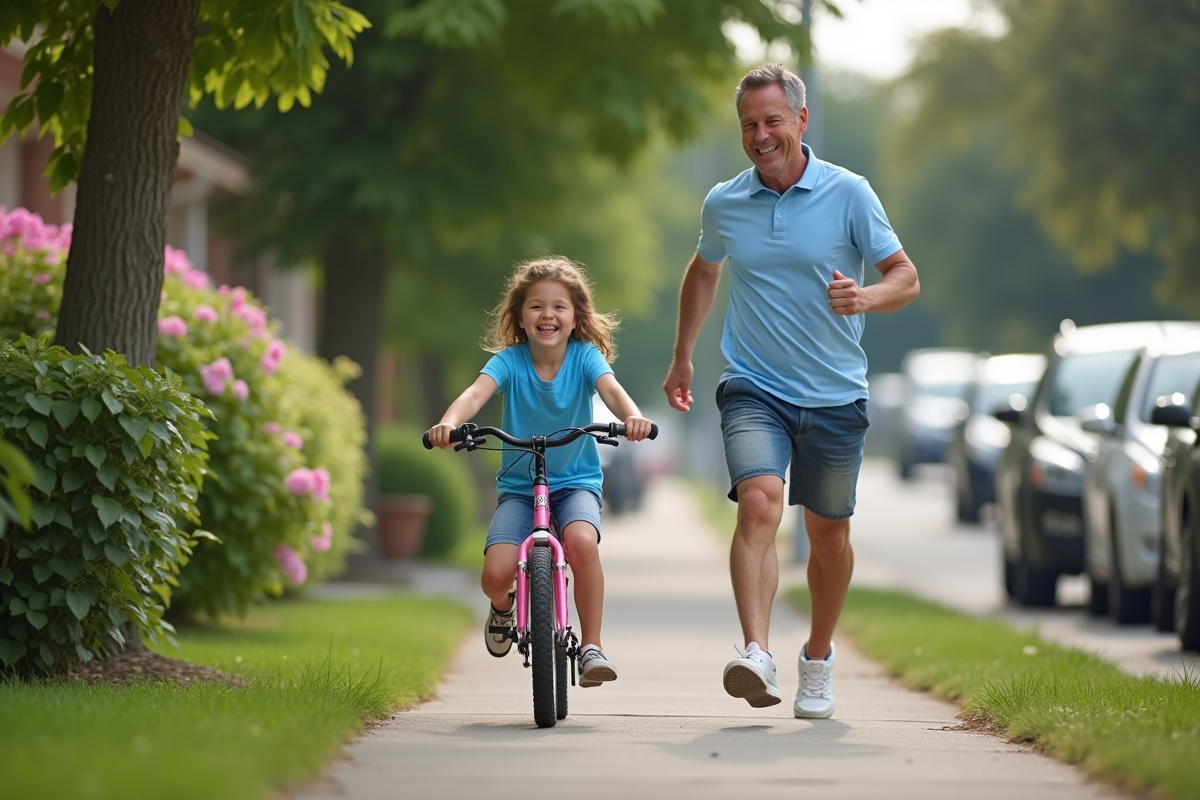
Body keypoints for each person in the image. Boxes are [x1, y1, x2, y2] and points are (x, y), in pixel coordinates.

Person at [662, 63, 919, 718]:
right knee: (758, 504)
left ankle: (819, 657)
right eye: (749, 124)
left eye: (773, 120)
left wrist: (865, 296)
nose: (761, 134)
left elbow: (906, 277)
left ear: (801, 121)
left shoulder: (850, 194)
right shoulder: (724, 202)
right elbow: (703, 268)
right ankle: (756, 653)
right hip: (754, 384)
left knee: (829, 536)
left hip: (835, 392)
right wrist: (684, 356)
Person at [427, 256, 654, 687]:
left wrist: (634, 418)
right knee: (495, 573)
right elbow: (475, 394)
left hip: (576, 484)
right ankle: (504, 607)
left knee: (583, 543)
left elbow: (613, 391)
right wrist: (449, 423)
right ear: (519, 316)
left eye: (559, 307)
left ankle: (592, 646)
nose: (547, 315)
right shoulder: (510, 362)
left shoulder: (585, 358)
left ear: (575, 318)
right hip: (519, 487)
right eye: (536, 306)